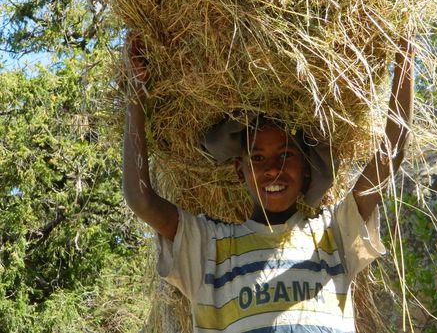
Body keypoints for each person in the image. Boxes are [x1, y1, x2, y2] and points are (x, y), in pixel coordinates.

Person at [122, 33, 414, 333]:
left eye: (286, 155)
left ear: (307, 169)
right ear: (240, 170)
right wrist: (136, 94)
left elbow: (391, 153)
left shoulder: (333, 236)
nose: (273, 170)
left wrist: (405, 54)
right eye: (258, 159)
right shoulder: (210, 250)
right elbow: (140, 199)